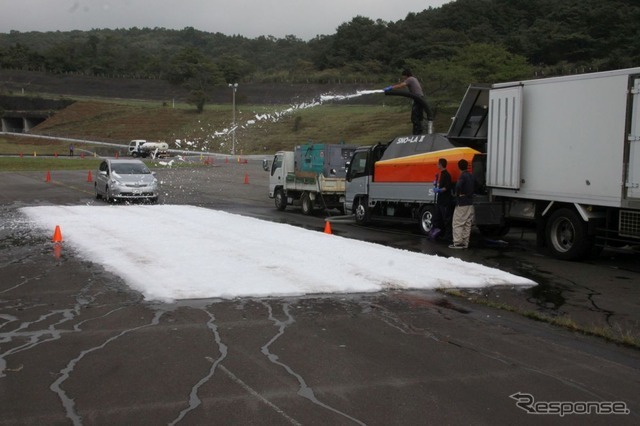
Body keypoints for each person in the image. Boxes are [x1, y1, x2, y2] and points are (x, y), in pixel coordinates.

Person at [384, 69, 425, 135]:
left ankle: (416, 133)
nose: (403, 78)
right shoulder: (414, 79)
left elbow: (401, 85)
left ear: (406, 75)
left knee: (414, 117)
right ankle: (419, 131)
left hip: (418, 98)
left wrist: (391, 87)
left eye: (403, 76)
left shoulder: (410, 79)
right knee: (419, 116)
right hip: (421, 98)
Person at [449, 159, 475, 249]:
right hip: (470, 202)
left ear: (458, 166)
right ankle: (465, 242)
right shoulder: (471, 176)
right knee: (467, 223)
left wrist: (457, 194)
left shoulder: (462, 176)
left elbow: (458, 186)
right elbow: (477, 185)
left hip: (462, 202)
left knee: (457, 223)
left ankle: (457, 242)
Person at [430, 158, 453, 241]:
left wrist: (439, 190)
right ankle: (439, 233)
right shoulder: (441, 174)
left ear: (440, 164)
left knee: (446, 219)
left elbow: (446, 187)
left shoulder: (447, 175)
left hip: (445, 201)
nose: (437, 165)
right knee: (438, 218)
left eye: (437, 163)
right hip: (440, 201)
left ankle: (448, 236)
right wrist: (436, 183)